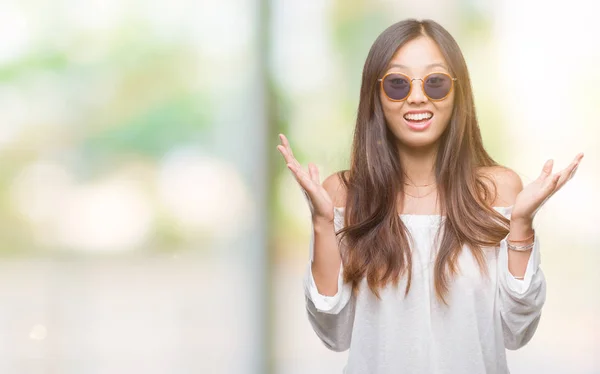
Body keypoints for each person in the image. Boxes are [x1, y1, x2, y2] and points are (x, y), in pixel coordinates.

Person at [276, 18, 583, 374]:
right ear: (375, 95)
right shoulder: (343, 194)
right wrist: (321, 223)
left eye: (435, 83)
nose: (418, 96)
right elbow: (334, 333)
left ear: (458, 92)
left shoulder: (498, 190)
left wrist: (522, 226)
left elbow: (516, 331)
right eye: (397, 84)